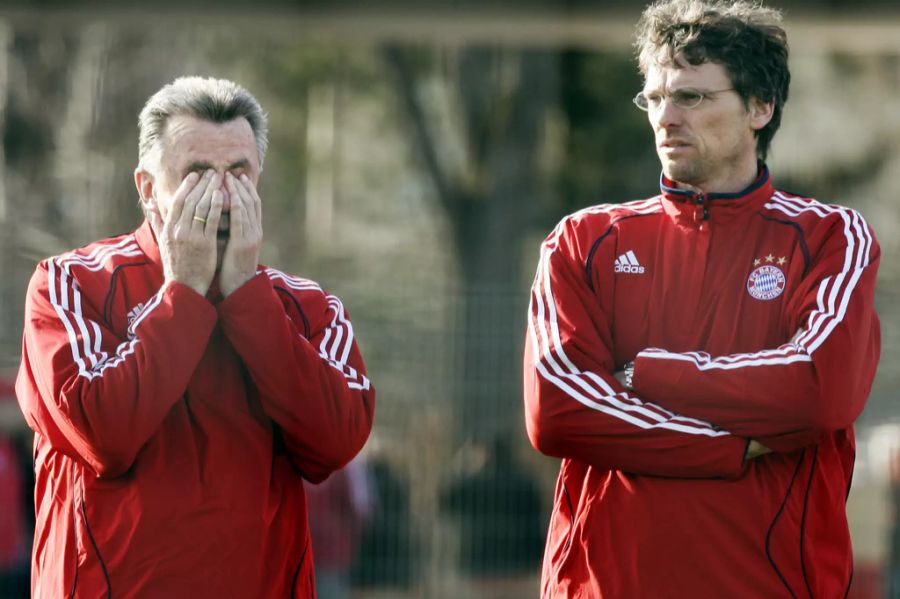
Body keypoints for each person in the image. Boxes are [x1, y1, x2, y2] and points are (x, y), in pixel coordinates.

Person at [523, 1, 881, 597]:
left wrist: (647, 375)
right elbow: (557, 409)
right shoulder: (583, 241)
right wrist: (734, 445)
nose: (666, 117)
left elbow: (820, 389)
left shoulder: (829, 236)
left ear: (759, 108)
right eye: (655, 97)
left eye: (691, 97)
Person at [15, 76, 375, 598]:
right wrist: (183, 290)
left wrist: (248, 297)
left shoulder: (307, 306)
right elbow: (103, 434)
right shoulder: (70, 285)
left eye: (239, 173)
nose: (222, 196)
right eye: (198, 173)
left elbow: (336, 441)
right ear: (147, 189)